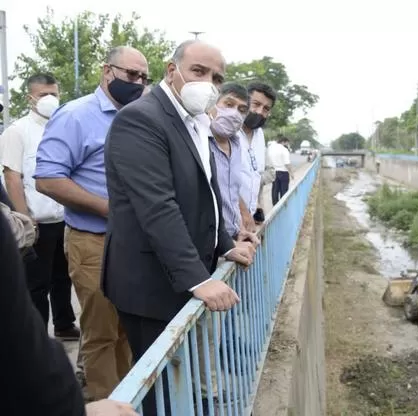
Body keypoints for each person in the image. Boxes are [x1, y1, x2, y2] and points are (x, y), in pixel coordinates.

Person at [102, 39, 255, 416]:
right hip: (148, 281)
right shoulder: (141, 119)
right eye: (199, 72)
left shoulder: (196, 122)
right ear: (172, 71)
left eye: (217, 77)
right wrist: (198, 279)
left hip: (180, 273)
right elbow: (157, 206)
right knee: (159, 389)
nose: (209, 84)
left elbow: (208, 193)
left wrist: (224, 244)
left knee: (181, 377)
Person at [35, 46, 149, 401]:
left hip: (133, 244)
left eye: (144, 78)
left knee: (128, 329)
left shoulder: (137, 117)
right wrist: (108, 209)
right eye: (132, 75)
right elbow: (48, 178)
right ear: (107, 71)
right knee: (101, 333)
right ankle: (103, 401)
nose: (139, 83)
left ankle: (126, 402)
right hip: (93, 241)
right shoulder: (75, 116)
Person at [0, 214, 138, 416]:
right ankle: (105, 396)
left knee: (122, 332)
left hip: (123, 235)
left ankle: (124, 398)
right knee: (101, 334)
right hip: (88, 234)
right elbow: (22, 357)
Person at [1, 73, 80, 342]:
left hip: (65, 219)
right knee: (36, 284)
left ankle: (65, 324)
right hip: (36, 221)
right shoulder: (17, 131)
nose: (50, 100)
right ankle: (37, 339)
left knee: (63, 278)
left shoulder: (63, 126)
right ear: (30, 98)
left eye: (54, 94)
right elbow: (13, 176)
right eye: (44, 94)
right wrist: (24, 217)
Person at [205, 82, 258, 241]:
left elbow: (231, 193)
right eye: (229, 104)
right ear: (213, 104)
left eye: (242, 110)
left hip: (233, 238)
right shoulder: (199, 141)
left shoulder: (236, 145)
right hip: (210, 241)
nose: (234, 113)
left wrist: (239, 228)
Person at [238, 82, 275, 217]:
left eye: (266, 108)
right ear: (244, 101)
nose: (260, 112)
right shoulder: (229, 130)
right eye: (256, 104)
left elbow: (267, 172)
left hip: (251, 217)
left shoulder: (259, 135)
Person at [268, 136, 293, 205]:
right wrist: (291, 173)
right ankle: (282, 206)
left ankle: (275, 206)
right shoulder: (284, 149)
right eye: (287, 143)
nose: (287, 145)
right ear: (284, 142)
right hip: (283, 172)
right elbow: (287, 163)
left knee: (275, 190)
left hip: (274, 172)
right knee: (284, 191)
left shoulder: (271, 148)